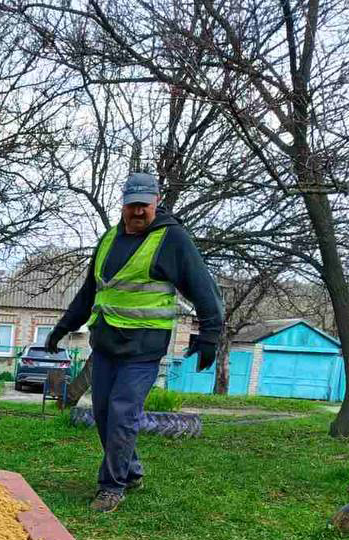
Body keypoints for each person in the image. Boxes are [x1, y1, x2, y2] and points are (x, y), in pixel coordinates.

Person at [45, 173, 223, 513]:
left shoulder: (173, 240)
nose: (138, 212)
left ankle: (112, 486)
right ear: (123, 205)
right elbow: (89, 292)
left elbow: (203, 288)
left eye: (144, 205)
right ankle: (131, 470)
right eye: (132, 205)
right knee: (102, 413)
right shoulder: (110, 238)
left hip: (144, 347)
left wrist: (209, 335)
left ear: (156, 202)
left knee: (123, 412)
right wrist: (62, 327)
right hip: (107, 342)